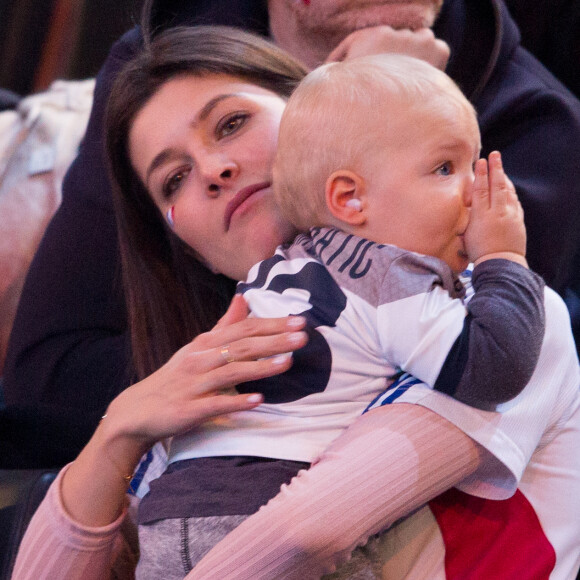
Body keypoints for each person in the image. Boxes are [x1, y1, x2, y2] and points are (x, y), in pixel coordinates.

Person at [12, 28, 580, 580]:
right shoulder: (210, 375)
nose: (213, 171)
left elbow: (306, 534)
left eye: (232, 123)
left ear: (320, 115)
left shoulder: (507, 317)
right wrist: (117, 438)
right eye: (174, 179)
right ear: (194, 252)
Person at [135, 50, 549, 576]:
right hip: (257, 508)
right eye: (445, 168)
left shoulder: (282, 269)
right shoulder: (385, 275)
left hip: (168, 515)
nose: (474, 190)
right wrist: (504, 260)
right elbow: (493, 366)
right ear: (350, 199)